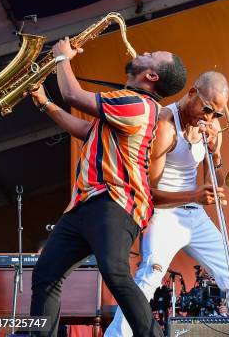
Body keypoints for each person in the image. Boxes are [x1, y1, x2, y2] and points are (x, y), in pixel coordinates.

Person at [28, 38, 187, 337]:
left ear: (151, 76)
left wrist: (63, 58)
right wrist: (44, 102)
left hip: (116, 201)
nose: (142, 50)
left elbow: (72, 94)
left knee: (114, 273)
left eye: (151, 53)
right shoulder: (125, 102)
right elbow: (86, 130)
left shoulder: (137, 104)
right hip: (84, 204)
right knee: (46, 275)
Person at [105, 71, 229, 337]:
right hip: (164, 213)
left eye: (216, 114)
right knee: (149, 278)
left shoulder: (211, 130)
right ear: (191, 94)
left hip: (194, 215)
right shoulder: (165, 123)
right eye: (207, 109)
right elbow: (148, 192)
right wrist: (192, 196)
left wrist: (216, 152)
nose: (209, 118)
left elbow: (213, 187)